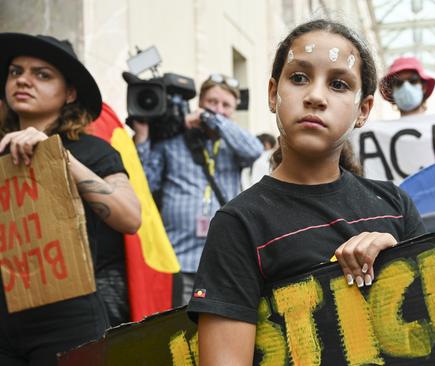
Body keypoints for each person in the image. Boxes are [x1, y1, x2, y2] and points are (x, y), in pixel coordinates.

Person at [187, 19, 426, 364]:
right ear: (273, 94)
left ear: (363, 110)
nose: (315, 96)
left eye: (339, 85)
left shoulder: (394, 205)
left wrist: (399, 258)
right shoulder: (239, 224)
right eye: (299, 78)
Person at [0, 33, 141, 365]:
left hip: (68, 322)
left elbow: (130, 217)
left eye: (42, 74)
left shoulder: (91, 151)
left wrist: (59, 158)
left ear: (70, 93)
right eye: (15, 71)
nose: (23, 80)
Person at [133, 74, 263, 306]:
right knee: (179, 331)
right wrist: (143, 138)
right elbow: (145, 184)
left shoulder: (231, 144)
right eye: (212, 102)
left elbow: (254, 150)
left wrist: (213, 119)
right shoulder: (172, 140)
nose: (218, 109)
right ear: (199, 102)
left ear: (233, 111)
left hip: (220, 259)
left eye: (226, 105)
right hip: (178, 258)